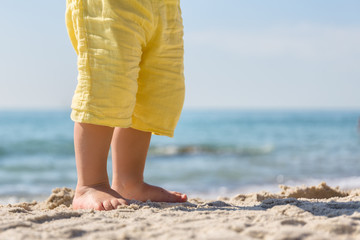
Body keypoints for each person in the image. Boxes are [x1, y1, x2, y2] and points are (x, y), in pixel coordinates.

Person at [65, 0, 187, 211]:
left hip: (164, 7)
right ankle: (90, 184)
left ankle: (129, 182)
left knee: (153, 92)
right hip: (110, 6)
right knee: (107, 85)